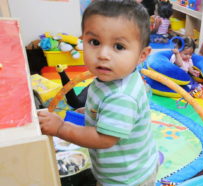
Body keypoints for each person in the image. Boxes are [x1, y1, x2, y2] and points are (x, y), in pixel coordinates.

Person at [38, 1, 158, 185]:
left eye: (118, 46)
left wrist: (61, 128)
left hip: (127, 179)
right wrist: (90, 112)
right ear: (82, 40)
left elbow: (104, 139)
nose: (103, 54)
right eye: (94, 42)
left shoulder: (122, 96)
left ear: (142, 55)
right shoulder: (109, 77)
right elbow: (104, 105)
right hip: (118, 170)